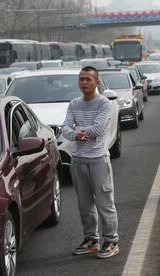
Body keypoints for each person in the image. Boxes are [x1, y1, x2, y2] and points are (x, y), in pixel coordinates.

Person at [62, 66, 119, 259]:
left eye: (87, 79)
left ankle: (111, 241)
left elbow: (99, 129)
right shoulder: (73, 103)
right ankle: (91, 240)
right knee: (84, 205)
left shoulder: (103, 103)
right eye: (81, 79)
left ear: (96, 81)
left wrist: (78, 130)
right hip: (77, 161)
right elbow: (65, 129)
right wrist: (78, 133)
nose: (83, 82)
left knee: (105, 204)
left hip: (98, 161)